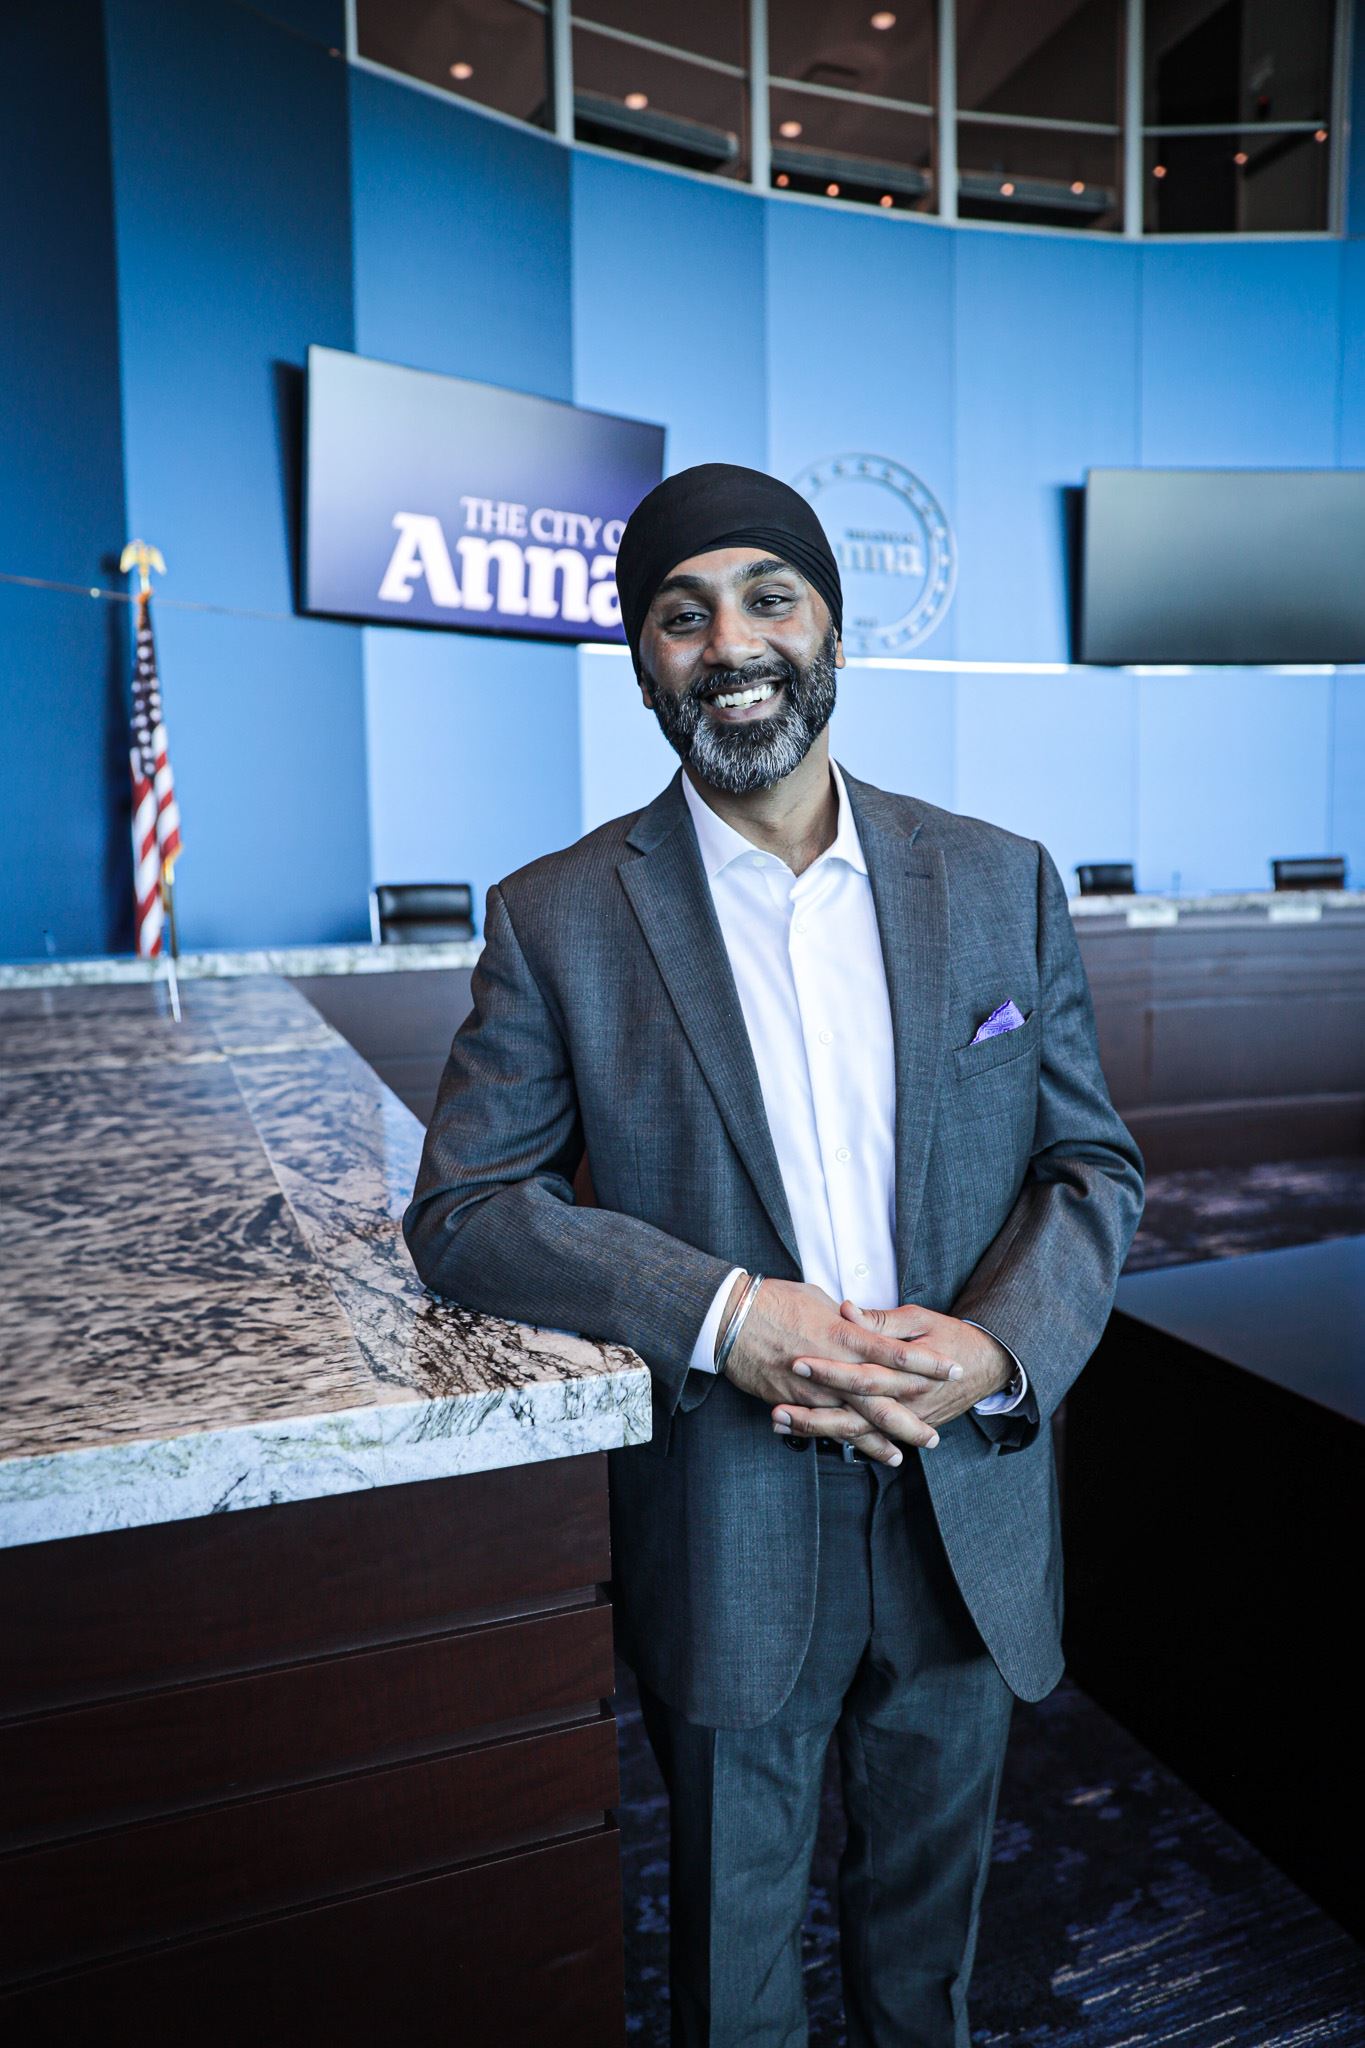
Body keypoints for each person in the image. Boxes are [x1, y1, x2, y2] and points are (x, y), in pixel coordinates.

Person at [404, 462, 1144, 2047]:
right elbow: (465, 1209)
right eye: (681, 615)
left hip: (966, 1505)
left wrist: (996, 1352)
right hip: (727, 1521)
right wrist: (725, 1316)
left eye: (765, 597)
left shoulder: (1000, 878)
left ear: (828, 626)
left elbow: (1089, 1167)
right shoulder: (556, 918)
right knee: (733, 1975)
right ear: (642, 661)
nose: (729, 641)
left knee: (923, 1968)